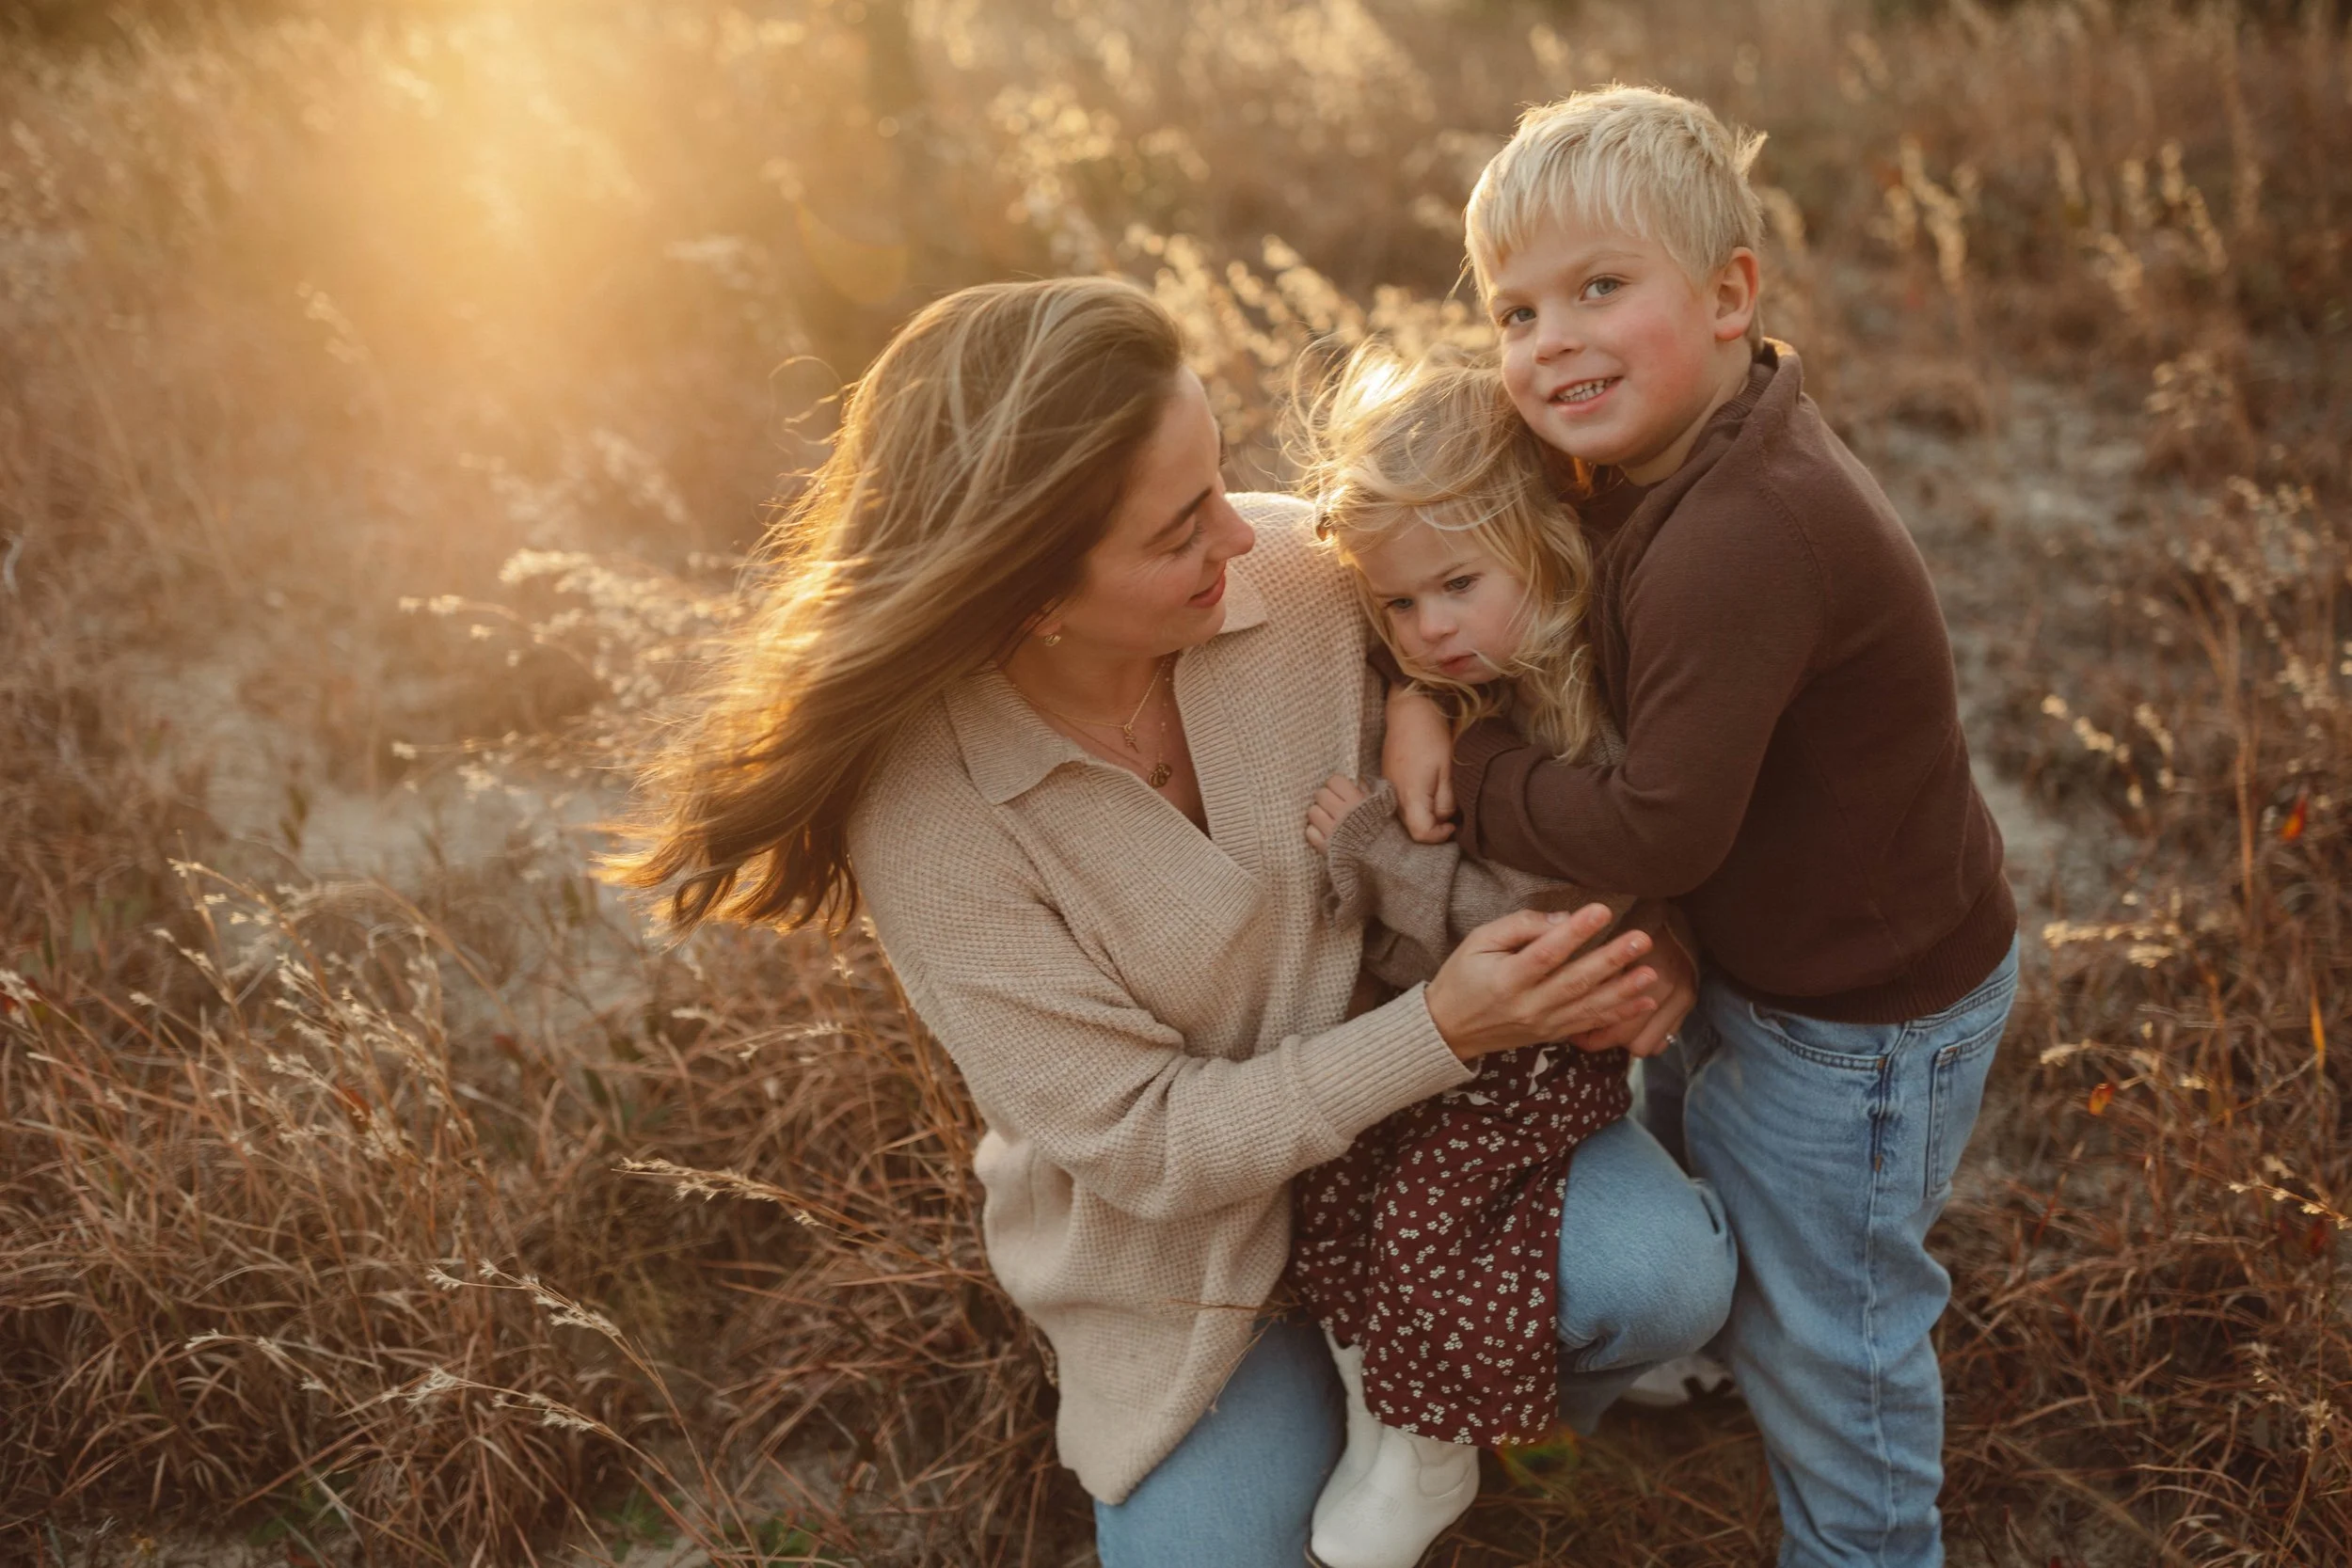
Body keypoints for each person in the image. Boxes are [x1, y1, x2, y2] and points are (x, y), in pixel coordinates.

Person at [619, 275, 1736, 1567]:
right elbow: (1149, 1147)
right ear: (1026, 593)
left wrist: (1444, 721)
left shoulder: (1314, 580)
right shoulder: (932, 819)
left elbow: (1533, 669)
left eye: (1215, 478)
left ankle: (1477, 1421)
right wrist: (1439, 1024)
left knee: (1660, 1281)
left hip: (1439, 1143)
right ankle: (1379, 1395)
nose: (1242, 533)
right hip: (1192, 1257)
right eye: (1176, 529)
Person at [1380, 87, 2021, 1568]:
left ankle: (1870, 1545)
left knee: (1834, 1325)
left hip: (1859, 1018)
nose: (1552, 343)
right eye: (1517, 310)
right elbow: (1431, 529)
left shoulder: (1745, 530)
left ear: (1731, 296)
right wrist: (1408, 688)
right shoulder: (1647, 455)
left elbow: (1660, 827)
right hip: (1756, 958)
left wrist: (1468, 763)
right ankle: (1688, 1343)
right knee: (1689, 1162)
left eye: (1601, 289)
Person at [1285, 342, 1719, 1568]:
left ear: (1542, 535)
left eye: (1455, 586)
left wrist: (1376, 852)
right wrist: (1415, 694)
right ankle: (1392, 1424)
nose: (1430, 629)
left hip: (1538, 1047)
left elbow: (1507, 925)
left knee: (1435, 1209)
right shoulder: (1468, 666)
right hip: (1452, 1038)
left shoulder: (1591, 708)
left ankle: (1445, 1441)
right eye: (1398, 605)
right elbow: (1413, 640)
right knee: (1350, 1195)